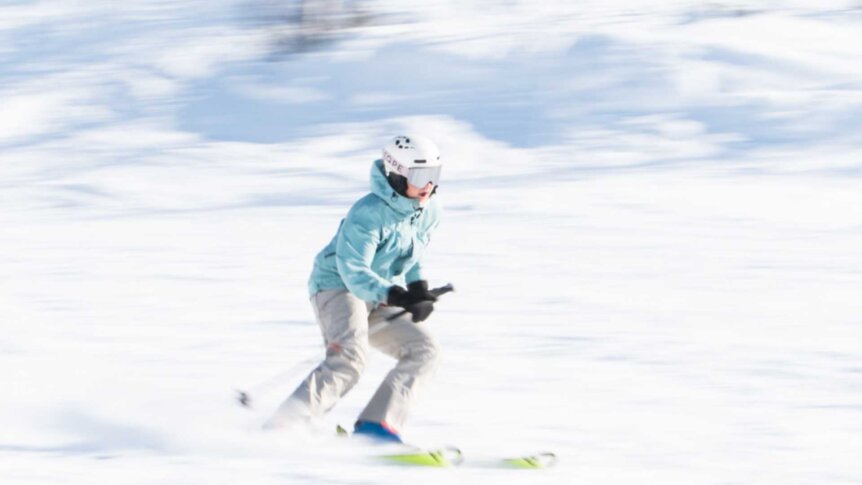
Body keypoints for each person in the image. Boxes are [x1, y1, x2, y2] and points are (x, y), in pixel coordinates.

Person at [264, 135, 444, 443]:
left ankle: (378, 425)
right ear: (397, 175)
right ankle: (284, 427)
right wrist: (396, 295)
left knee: (425, 351)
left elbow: (414, 252)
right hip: (337, 286)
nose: (428, 185)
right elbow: (353, 271)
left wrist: (418, 287)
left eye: (434, 175)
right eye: (419, 176)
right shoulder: (368, 213)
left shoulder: (427, 209)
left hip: (378, 292)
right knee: (350, 358)